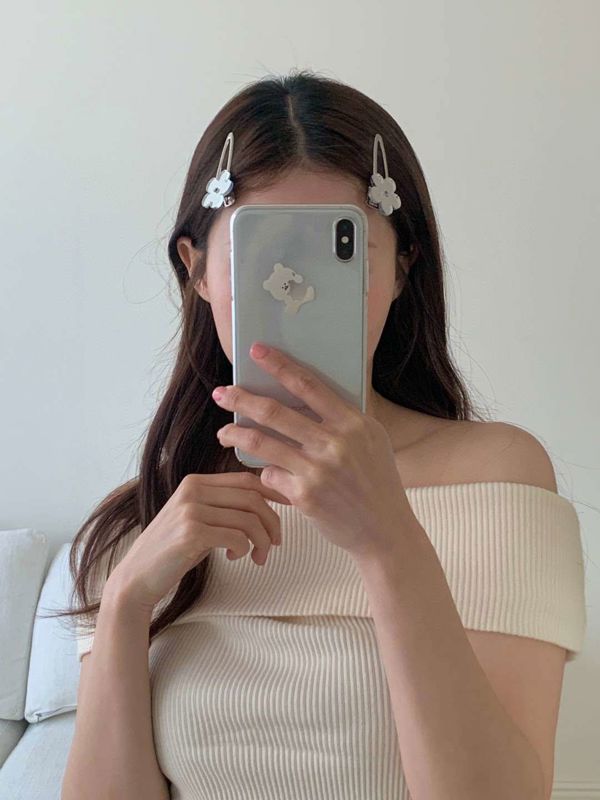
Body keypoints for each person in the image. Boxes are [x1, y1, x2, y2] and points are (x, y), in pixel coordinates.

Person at [59, 69, 586, 800]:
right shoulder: (144, 521)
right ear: (197, 271)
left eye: (338, 256)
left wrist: (389, 542)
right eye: (263, 257)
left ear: (401, 269)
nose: (296, 292)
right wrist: (123, 606)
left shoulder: (496, 474)